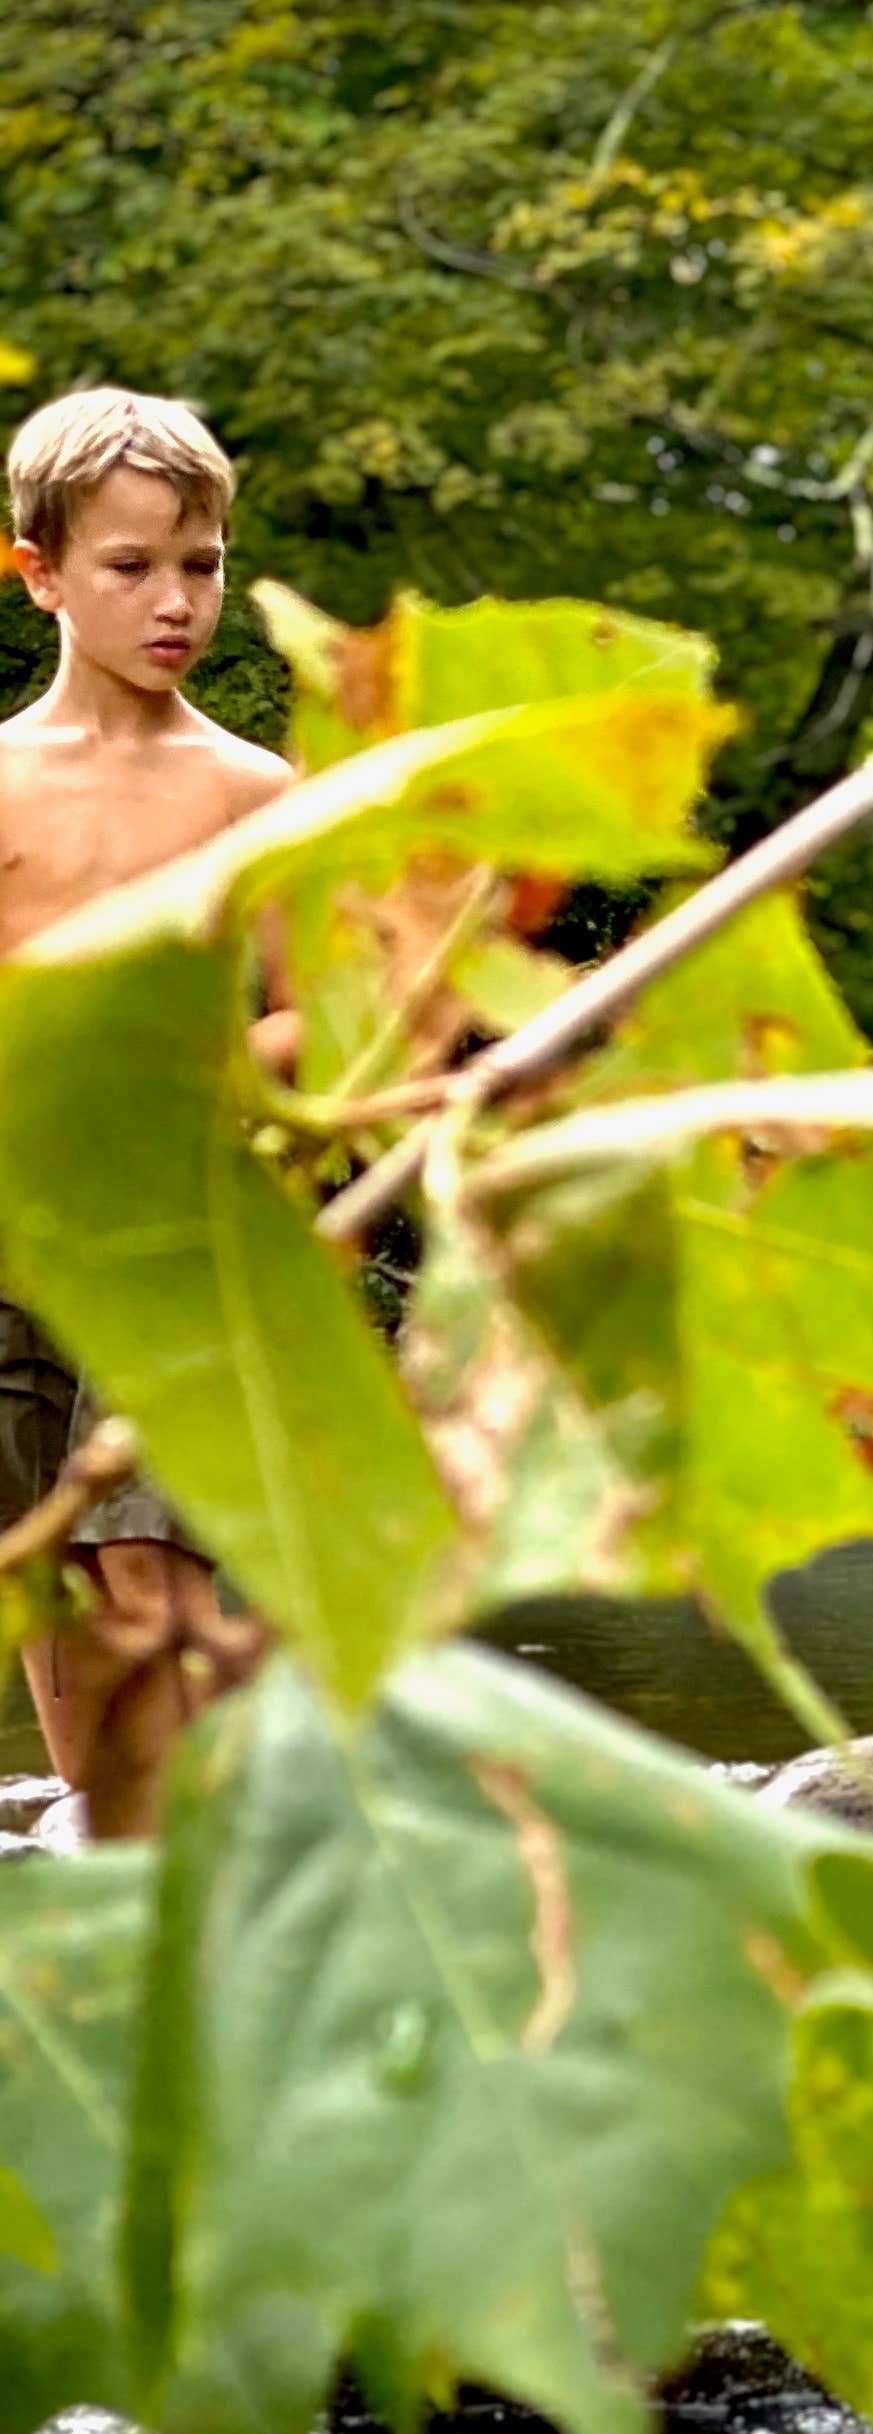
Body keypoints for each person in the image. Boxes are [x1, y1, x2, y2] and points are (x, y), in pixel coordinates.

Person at [0, 386, 293, 1837]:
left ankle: (212, 1868)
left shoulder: (254, 793)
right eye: (132, 568)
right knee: (41, 1560)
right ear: (40, 571)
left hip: (176, 1241)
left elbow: (310, 1016)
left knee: (151, 1553)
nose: (177, 601)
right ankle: (113, 1845)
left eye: (204, 563)